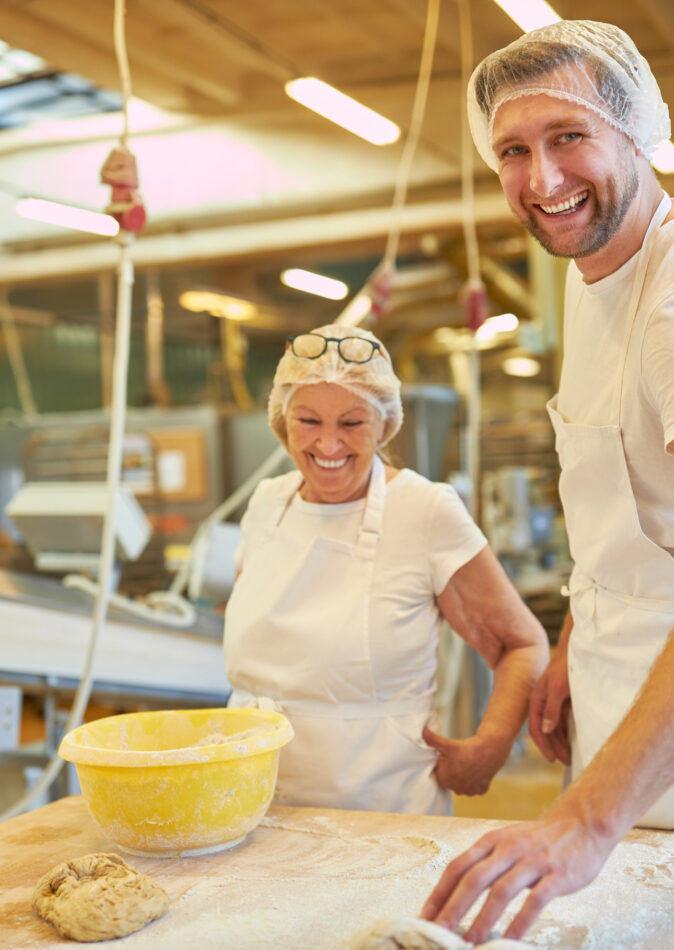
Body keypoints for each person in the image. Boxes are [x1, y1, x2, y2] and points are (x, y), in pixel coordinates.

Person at [422, 18, 674, 942]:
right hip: (620, 706)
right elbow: (632, 503)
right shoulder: (590, 267)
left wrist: (586, 820)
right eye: (514, 151)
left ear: (637, 133)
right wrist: (577, 633)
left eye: (569, 136)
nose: (543, 179)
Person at [223, 323, 549, 816]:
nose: (328, 444)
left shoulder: (424, 510)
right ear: (282, 421)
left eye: (351, 423)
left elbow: (522, 643)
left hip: (381, 816)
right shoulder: (267, 504)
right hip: (253, 809)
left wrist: (492, 746)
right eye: (309, 420)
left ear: (384, 424)